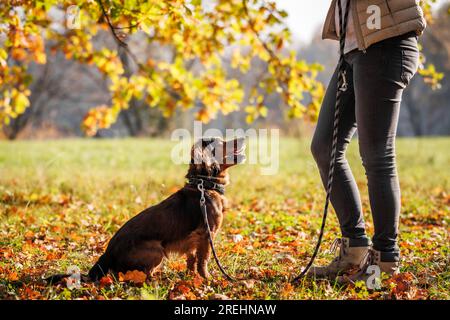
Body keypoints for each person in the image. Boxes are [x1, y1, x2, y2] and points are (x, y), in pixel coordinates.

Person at [309, 0, 426, 283]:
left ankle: (385, 258)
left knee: (377, 156)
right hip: (353, 52)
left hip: (385, 45)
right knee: (324, 147)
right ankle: (354, 247)